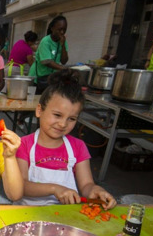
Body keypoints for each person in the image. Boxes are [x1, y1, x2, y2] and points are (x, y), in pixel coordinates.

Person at [16, 70, 116, 209]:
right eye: (57, 115)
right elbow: (21, 186)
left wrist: (95, 190)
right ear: (39, 110)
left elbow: (86, 185)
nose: (63, 124)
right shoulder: (24, 144)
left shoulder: (78, 147)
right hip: (27, 212)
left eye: (71, 119)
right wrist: (55, 189)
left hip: (65, 215)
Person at [29, 16, 69, 94]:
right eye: (59, 29)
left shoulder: (63, 41)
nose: (62, 32)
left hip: (49, 79)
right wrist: (64, 69)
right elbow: (46, 62)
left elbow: (64, 61)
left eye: (64, 29)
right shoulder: (45, 41)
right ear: (52, 28)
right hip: (37, 79)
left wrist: (63, 45)